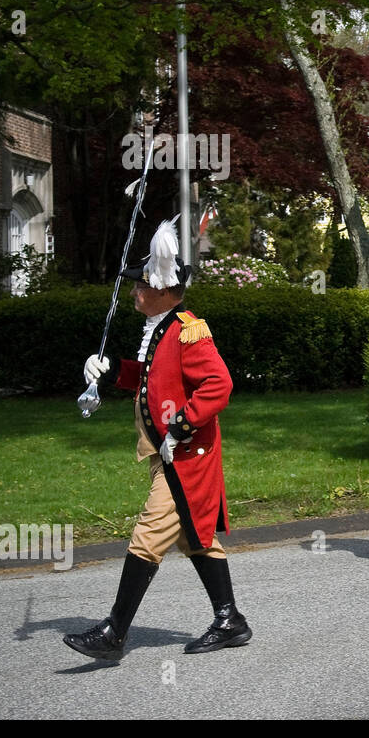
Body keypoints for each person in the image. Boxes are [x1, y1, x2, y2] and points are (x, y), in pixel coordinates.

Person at [67, 219, 250, 660]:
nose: (134, 292)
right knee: (196, 539)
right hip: (166, 453)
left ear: (164, 291)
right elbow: (155, 381)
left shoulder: (188, 329)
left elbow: (218, 386)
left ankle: (114, 633)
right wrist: (110, 371)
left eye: (141, 287)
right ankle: (230, 621)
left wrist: (181, 426)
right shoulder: (161, 328)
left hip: (185, 456)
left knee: (147, 537)